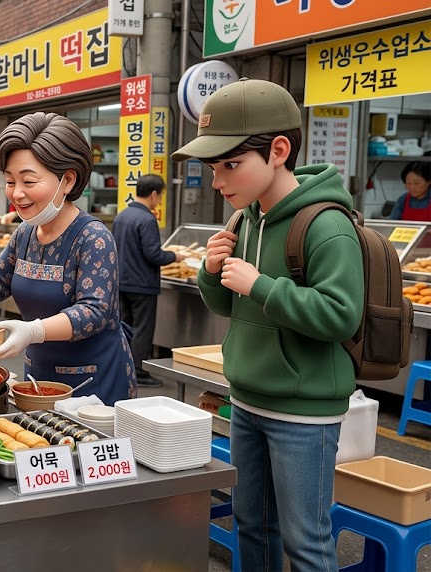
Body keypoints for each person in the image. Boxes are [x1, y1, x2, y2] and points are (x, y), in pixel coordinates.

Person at [171, 78, 364, 572]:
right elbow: (229, 306)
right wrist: (212, 272)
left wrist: (261, 285)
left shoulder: (327, 224)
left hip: (304, 412)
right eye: (214, 168)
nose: (218, 181)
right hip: (246, 399)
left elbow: (342, 314)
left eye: (230, 165)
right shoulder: (246, 220)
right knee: (251, 526)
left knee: (306, 542)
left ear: (279, 150)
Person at [0, 112, 136, 405]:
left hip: (94, 383)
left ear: (68, 180)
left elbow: (94, 313)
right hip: (38, 378)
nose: (17, 193)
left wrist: (34, 330)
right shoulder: (25, 232)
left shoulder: (93, 237)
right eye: (11, 181)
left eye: (29, 181)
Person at [112, 174, 184, 387]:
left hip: (122, 281)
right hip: (142, 283)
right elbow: (153, 254)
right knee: (143, 328)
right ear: (154, 194)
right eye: (160, 195)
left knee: (125, 325)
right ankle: (140, 371)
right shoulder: (147, 219)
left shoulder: (122, 216)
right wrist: (175, 257)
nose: (159, 200)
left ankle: (123, 366)